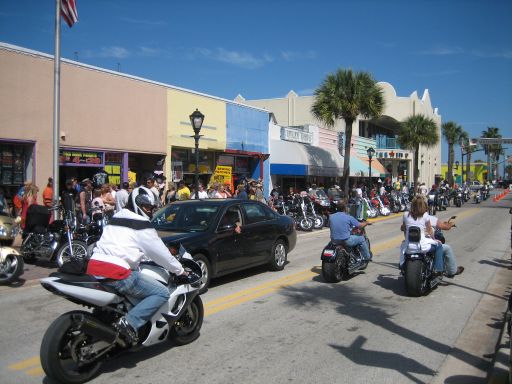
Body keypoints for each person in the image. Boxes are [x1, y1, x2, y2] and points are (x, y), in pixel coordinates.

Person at [86, 186, 188, 344]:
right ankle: (130, 322)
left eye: (151, 207)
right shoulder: (141, 224)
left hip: (94, 267)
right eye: (146, 207)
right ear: (136, 204)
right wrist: (180, 270)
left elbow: (125, 244)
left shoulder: (117, 217)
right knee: (161, 293)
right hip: (116, 272)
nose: (149, 210)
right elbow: (161, 253)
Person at [400, 196, 444, 275]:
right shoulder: (425, 215)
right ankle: (438, 269)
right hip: (422, 247)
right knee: (439, 245)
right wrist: (434, 239)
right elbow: (430, 229)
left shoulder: (405, 214)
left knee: (402, 246)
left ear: (412, 205)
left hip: (408, 246)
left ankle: (402, 264)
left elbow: (404, 228)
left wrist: (406, 238)